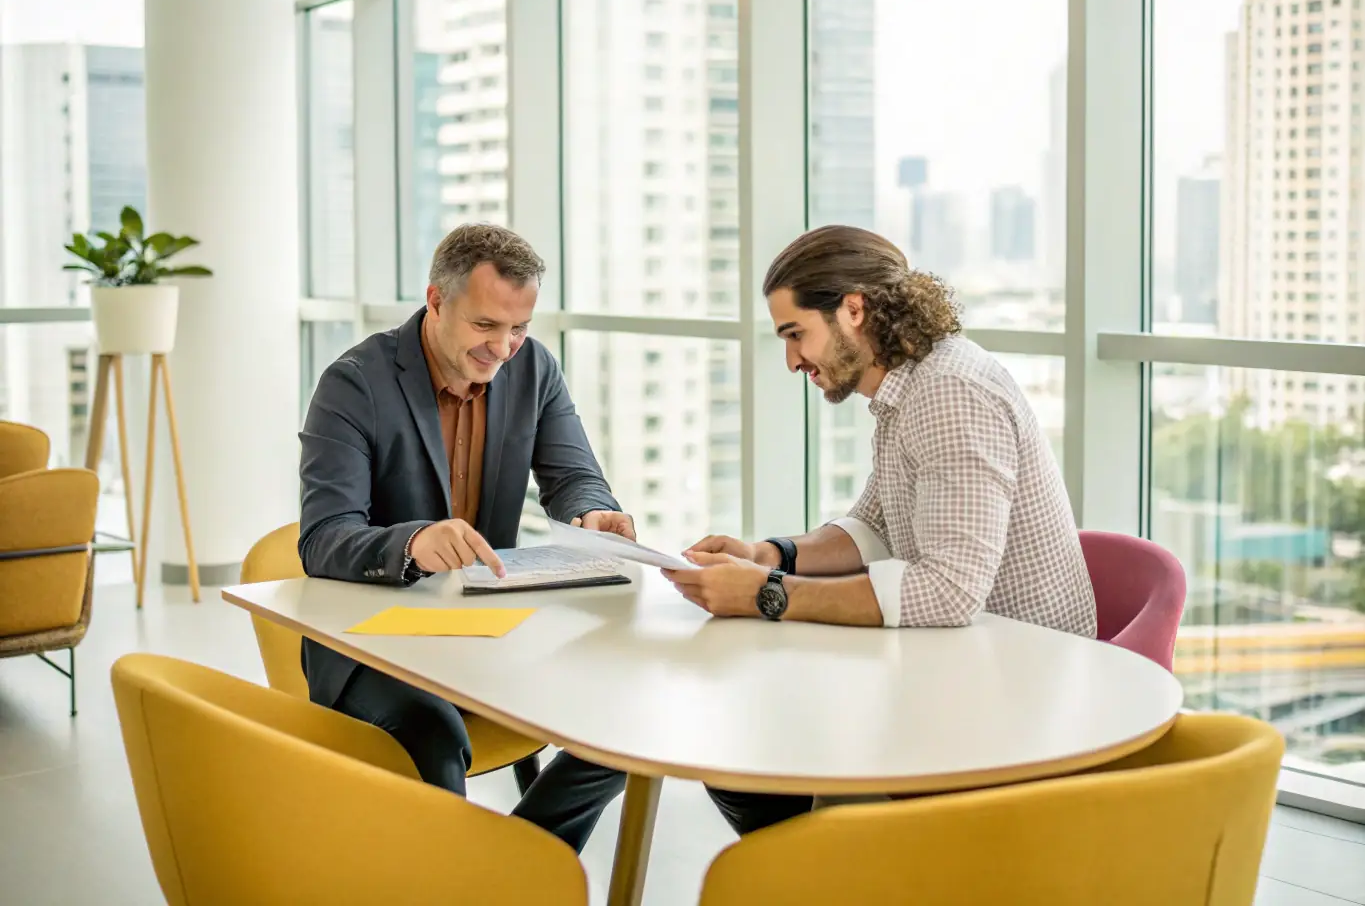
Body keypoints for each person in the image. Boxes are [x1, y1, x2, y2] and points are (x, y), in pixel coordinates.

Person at [667, 225, 1097, 836]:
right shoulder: (908, 388)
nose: (792, 361)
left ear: (853, 309)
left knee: (752, 748)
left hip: (1013, 700)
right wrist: (769, 554)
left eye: (796, 335)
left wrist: (766, 592)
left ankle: (826, 868)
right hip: (959, 662)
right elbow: (874, 526)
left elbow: (948, 590)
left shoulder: (949, 392)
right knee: (744, 744)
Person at [298, 223, 629, 851]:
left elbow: (575, 477)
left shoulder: (533, 368)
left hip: (487, 627)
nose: (504, 347)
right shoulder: (353, 383)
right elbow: (322, 538)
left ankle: (517, 863)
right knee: (434, 734)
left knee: (625, 720)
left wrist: (593, 514)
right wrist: (413, 542)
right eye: (486, 327)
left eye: (519, 328)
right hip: (374, 640)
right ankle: (464, 878)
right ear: (436, 300)